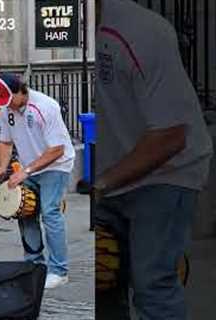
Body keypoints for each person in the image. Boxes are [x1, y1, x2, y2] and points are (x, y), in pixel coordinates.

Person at [94, 0, 213, 319]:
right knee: (102, 280)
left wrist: (101, 183)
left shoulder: (142, 33)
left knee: (153, 284)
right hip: (115, 173)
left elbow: (172, 136)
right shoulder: (87, 33)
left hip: (166, 172)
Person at [0, 73, 75, 289]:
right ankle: (34, 264)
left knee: (50, 212)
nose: (7, 105)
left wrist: (25, 171)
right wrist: (2, 167)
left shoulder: (46, 107)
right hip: (30, 167)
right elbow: (6, 142)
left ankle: (59, 270)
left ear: (21, 90)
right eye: (3, 102)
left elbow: (57, 149)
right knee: (24, 211)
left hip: (56, 165)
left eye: (10, 99)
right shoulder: (7, 110)